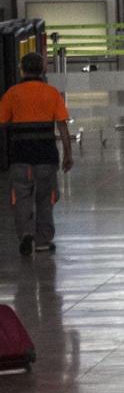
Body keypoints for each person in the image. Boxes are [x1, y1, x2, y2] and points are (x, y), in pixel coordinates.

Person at [0, 52, 73, 256]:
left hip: (20, 157)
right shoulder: (52, 93)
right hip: (46, 157)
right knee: (45, 198)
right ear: (43, 69)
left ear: (21, 69)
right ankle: (42, 240)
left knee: (21, 197)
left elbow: (2, 122)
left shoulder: (12, 93)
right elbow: (62, 128)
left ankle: (25, 234)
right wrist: (68, 154)